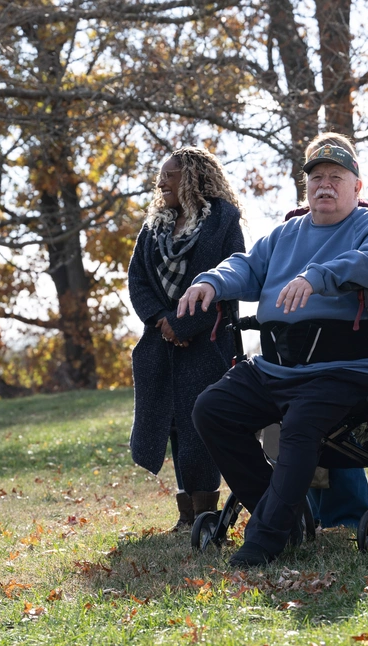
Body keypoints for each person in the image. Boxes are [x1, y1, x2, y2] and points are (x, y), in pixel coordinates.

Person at [181, 133, 368, 567]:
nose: (324, 185)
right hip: (277, 367)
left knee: (300, 429)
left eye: (336, 178)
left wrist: (318, 276)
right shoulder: (284, 234)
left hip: (343, 369)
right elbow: (244, 266)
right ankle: (286, 514)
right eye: (316, 177)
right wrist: (211, 280)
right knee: (211, 409)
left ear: (357, 188)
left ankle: (264, 541)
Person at [127, 147, 245, 531]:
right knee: (173, 424)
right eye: (160, 175)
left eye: (170, 175)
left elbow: (232, 278)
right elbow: (138, 280)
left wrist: (185, 324)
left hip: (208, 342)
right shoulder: (154, 226)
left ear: (193, 176)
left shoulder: (223, 221)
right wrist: (162, 320)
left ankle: (205, 513)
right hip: (161, 345)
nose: (161, 182)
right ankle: (186, 516)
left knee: (200, 424)